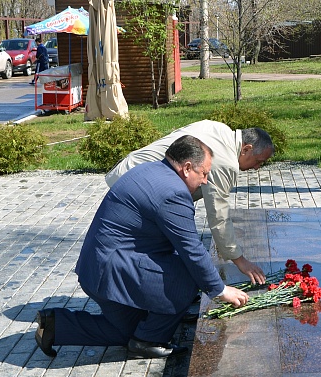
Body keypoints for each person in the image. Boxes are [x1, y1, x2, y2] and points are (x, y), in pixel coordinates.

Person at [34, 135, 250, 359]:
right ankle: (149, 340)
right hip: (114, 271)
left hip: (97, 271)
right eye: (204, 173)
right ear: (187, 168)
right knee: (185, 277)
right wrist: (220, 290)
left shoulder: (150, 170)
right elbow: (192, 250)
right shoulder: (173, 192)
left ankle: (55, 325)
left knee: (125, 333)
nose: (205, 181)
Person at [105, 120, 274, 284]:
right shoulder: (226, 162)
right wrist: (240, 261)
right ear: (246, 149)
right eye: (258, 161)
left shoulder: (220, 129)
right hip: (136, 185)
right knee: (146, 247)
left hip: (131, 171)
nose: (257, 167)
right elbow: (218, 217)